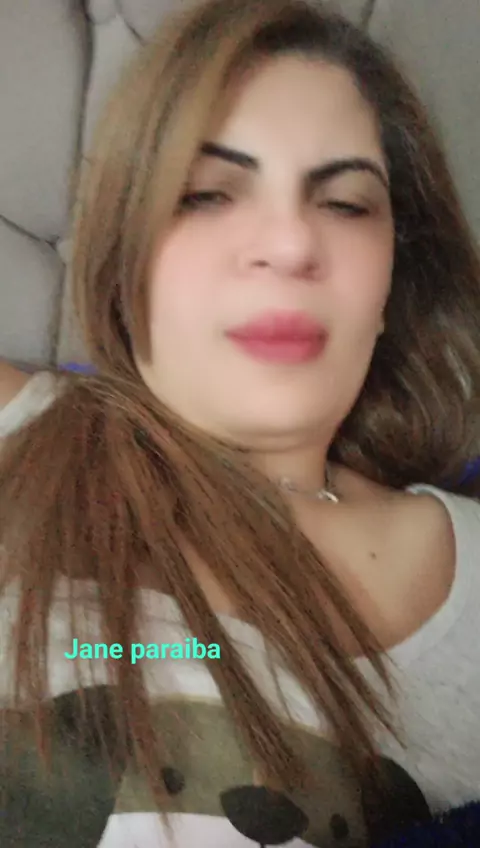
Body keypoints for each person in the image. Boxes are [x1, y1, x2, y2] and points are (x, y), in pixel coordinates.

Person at [1, 1, 480, 845]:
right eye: (207, 194)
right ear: (125, 260)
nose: (290, 244)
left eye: (345, 203)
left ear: (390, 287)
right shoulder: (22, 430)